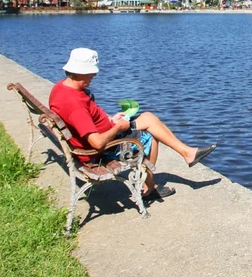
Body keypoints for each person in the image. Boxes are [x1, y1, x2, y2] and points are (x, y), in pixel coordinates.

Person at [48, 47, 217, 201]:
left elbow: (85, 121)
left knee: (148, 117)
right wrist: (118, 127)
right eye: (92, 73)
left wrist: (110, 120)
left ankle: (187, 152)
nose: (94, 76)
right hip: (100, 150)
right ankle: (149, 188)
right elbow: (97, 143)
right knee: (151, 136)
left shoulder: (61, 88)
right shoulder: (75, 104)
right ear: (83, 72)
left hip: (100, 136)